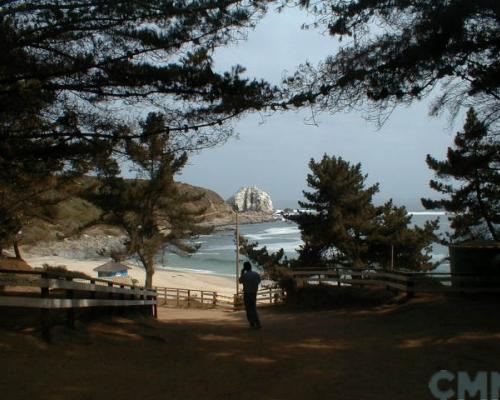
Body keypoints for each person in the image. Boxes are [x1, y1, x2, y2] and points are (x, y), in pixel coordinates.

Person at [239, 261, 261, 329]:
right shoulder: (256, 274)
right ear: (251, 267)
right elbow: (259, 281)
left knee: (248, 309)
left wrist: (242, 272)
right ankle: (257, 323)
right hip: (254, 293)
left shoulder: (245, 275)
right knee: (253, 308)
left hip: (247, 293)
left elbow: (240, 281)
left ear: (245, 268)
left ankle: (252, 323)